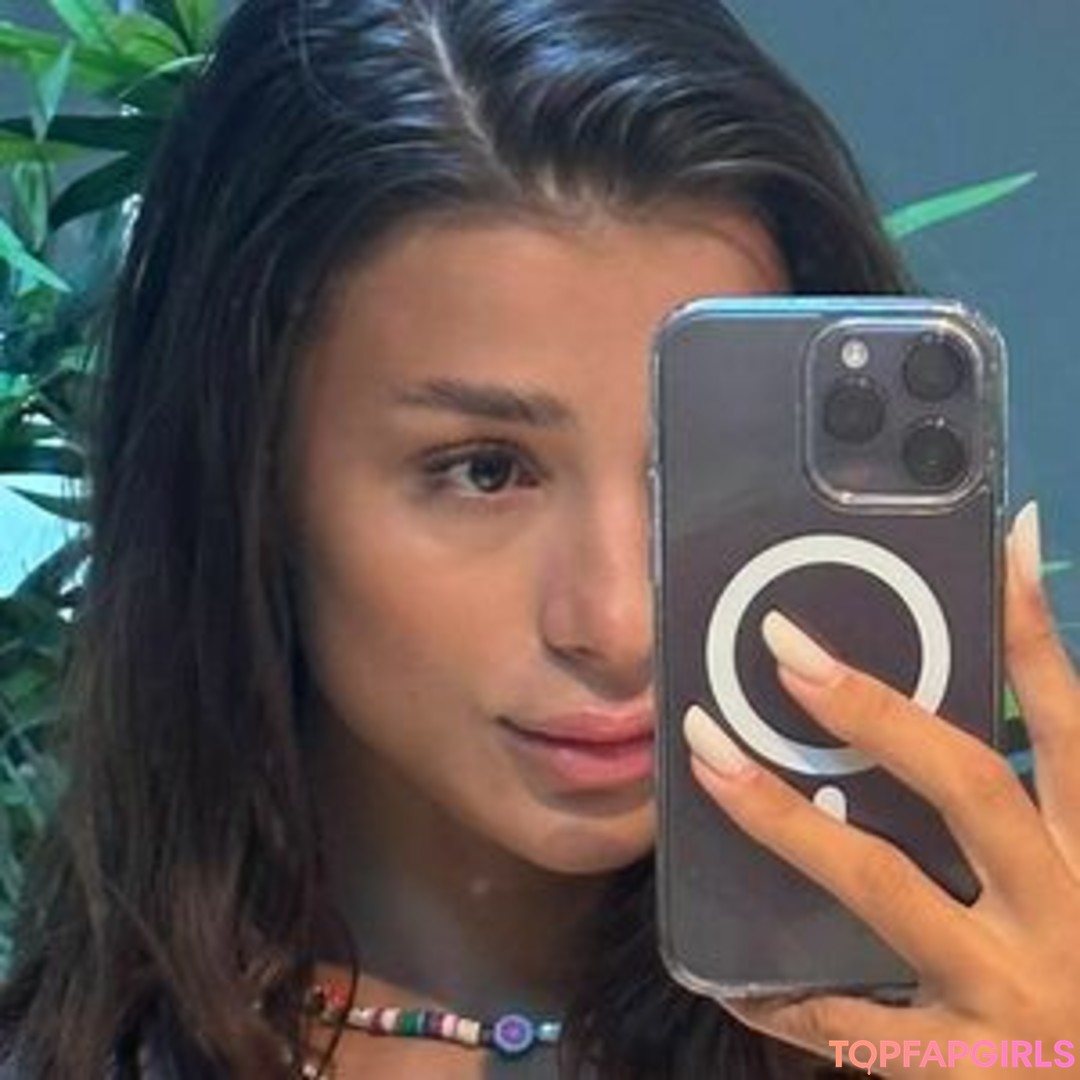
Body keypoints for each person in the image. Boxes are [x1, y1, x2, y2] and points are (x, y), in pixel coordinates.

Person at [2, 0, 1078, 1076]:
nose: (618, 622)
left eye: (698, 467)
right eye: (485, 470)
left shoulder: (982, 1029)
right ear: (252, 475)